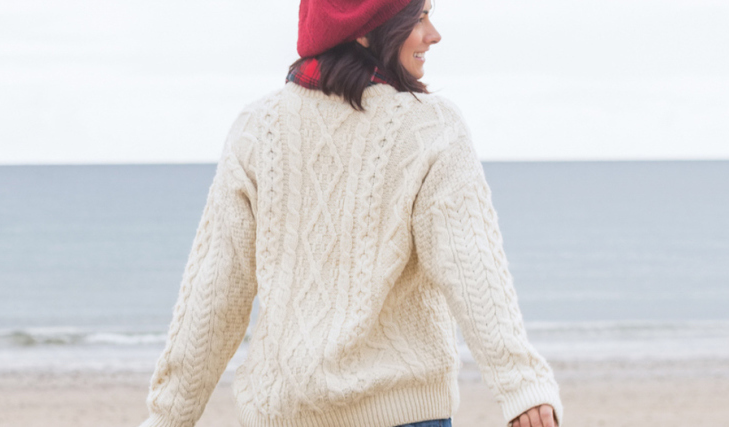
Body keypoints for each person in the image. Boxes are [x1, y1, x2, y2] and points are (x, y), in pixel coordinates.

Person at [137, 0, 562, 426]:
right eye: (419, 17)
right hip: (404, 415)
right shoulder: (431, 127)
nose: (433, 34)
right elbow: (473, 265)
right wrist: (521, 384)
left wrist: (169, 417)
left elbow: (213, 295)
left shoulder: (256, 129)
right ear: (364, 28)